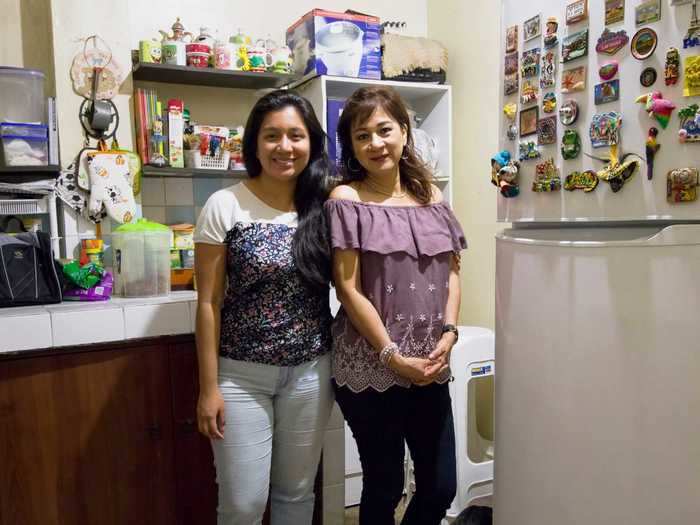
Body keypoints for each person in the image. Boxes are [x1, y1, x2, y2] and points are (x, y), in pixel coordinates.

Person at [325, 86, 466, 525]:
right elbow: (349, 289)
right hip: (370, 366)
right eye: (361, 135)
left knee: (441, 485)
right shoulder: (347, 200)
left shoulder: (433, 200)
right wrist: (391, 355)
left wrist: (449, 332)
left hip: (428, 363)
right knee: (385, 485)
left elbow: (453, 274)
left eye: (384, 129)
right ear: (350, 145)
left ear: (404, 132)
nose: (375, 143)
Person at [193, 90, 334, 525]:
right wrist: (208, 388)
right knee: (242, 505)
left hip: (311, 373)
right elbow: (208, 302)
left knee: (296, 496)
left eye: (296, 135)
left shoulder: (326, 205)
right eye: (272, 136)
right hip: (240, 377)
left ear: (311, 142)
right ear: (254, 143)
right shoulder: (225, 205)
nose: (284, 147)